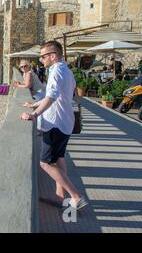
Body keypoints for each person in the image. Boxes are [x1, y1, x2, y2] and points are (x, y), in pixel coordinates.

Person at [21, 41, 88, 211]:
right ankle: (60, 196)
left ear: (53, 55)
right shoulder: (66, 70)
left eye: (43, 56)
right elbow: (58, 96)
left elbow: (51, 97)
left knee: (45, 163)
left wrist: (33, 115)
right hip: (66, 122)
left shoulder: (56, 70)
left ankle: (76, 196)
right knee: (58, 159)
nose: (40, 60)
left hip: (55, 124)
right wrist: (35, 105)